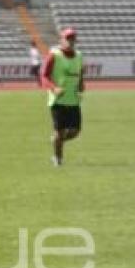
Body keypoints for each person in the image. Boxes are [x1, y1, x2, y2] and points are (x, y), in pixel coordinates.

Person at [40, 28, 84, 167]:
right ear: (62, 40)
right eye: (68, 39)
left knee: (75, 132)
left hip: (73, 99)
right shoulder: (54, 55)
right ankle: (58, 159)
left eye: (72, 39)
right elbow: (44, 75)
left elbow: (80, 73)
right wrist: (54, 88)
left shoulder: (79, 55)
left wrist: (81, 84)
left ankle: (57, 141)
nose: (70, 42)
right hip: (58, 100)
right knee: (60, 131)